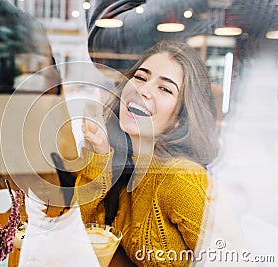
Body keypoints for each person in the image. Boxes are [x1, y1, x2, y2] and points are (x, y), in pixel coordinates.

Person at [74, 40, 220, 266]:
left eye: (165, 88)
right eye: (141, 77)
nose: (142, 90)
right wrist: (99, 157)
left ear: (179, 120)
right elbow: (85, 237)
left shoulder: (181, 178)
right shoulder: (127, 165)